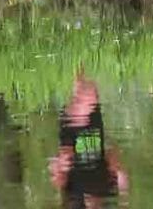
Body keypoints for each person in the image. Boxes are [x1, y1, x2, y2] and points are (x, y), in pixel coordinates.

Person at [49, 72, 128, 208]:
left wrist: (62, 164)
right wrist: (120, 177)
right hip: (92, 126)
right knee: (88, 87)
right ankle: (79, 65)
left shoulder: (72, 197)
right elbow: (113, 156)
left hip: (73, 128)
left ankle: (75, 67)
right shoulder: (106, 189)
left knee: (84, 92)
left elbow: (56, 171)